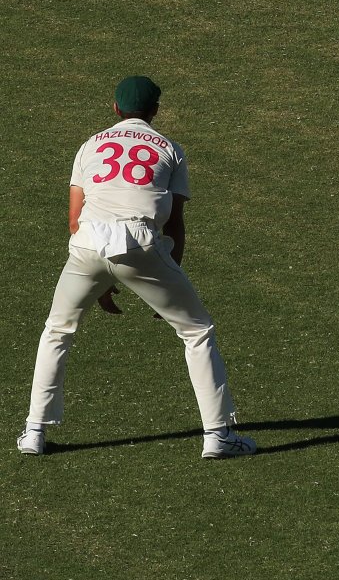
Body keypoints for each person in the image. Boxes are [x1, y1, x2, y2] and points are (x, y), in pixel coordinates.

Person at [17, 77, 258, 460]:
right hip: (141, 244)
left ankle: (34, 430)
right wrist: (167, 282)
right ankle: (219, 435)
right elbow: (174, 223)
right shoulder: (171, 149)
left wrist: (101, 278)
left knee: (57, 330)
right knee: (197, 331)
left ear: (114, 108)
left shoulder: (88, 146)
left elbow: (75, 219)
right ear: (155, 111)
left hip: (87, 245)